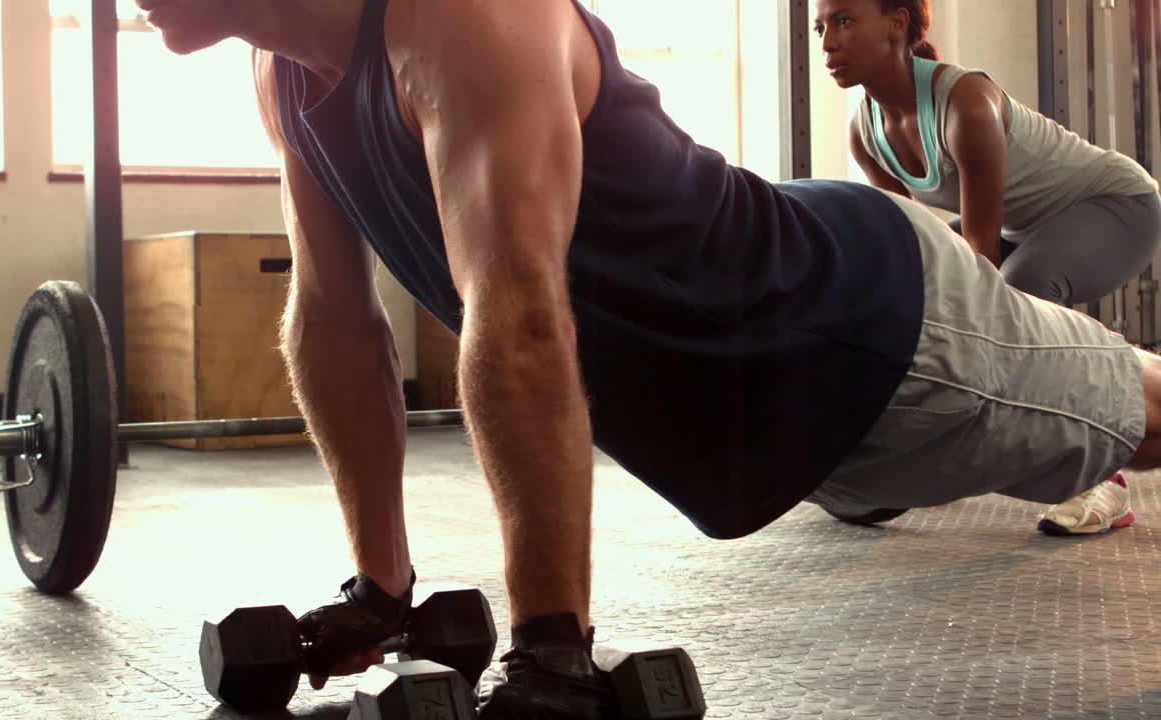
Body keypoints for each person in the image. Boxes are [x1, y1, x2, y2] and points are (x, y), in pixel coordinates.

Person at [140, 0, 1161, 715]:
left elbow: (522, 312)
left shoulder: (457, 17)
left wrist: (549, 650)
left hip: (861, 331)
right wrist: (381, 589)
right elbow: (333, 321)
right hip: (771, 422)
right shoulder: (282, 79)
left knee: (1146, 413)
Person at [818, 0, 1161, 535]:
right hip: (1024, 226)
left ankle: (1104, 479)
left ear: (896, 23)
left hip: (1115, 206)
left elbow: (978, 262)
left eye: (843, 21)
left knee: (1016, 293)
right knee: (921, 288)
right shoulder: (867, 133)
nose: (827, 43)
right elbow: (905, 253)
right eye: (821, 27)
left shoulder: (965, 102)